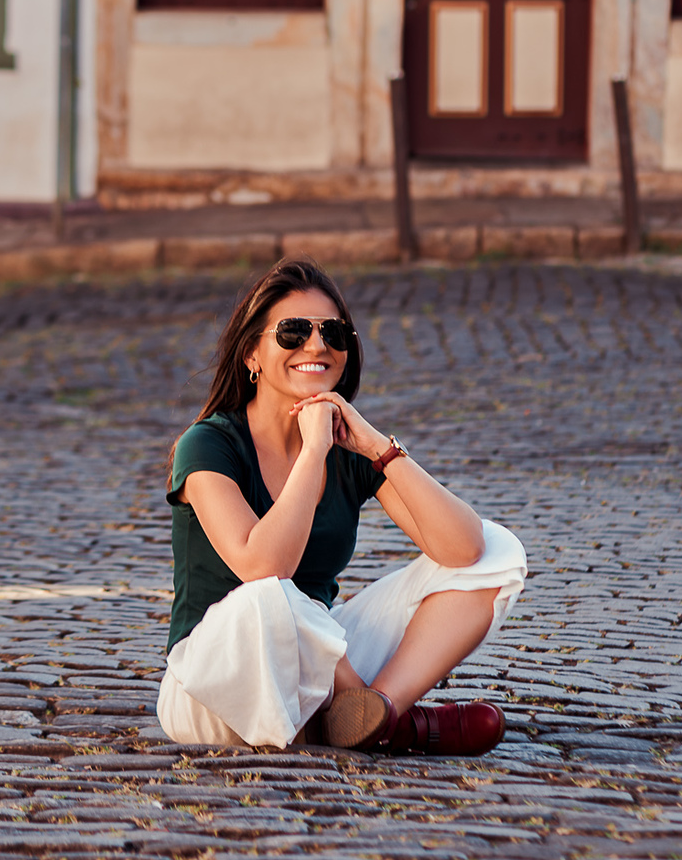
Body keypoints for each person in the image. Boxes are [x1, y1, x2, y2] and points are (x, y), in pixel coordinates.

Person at [158, 257, 526, 752]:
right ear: (252, 354)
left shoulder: (348, 446)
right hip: (212, 682)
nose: (316, 345)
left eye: (333, 332)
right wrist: (314, 450)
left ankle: (374, 712)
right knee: (269, 597)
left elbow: (464, 549)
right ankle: (393, 726)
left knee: (496, 548)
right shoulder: (207, 445)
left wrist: (378, 447)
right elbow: (263, 566)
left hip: (319, 665)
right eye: (293, 331)